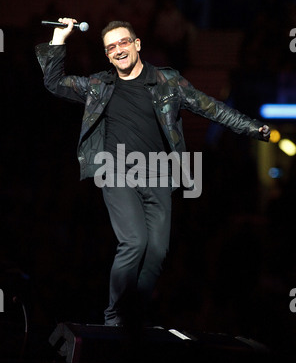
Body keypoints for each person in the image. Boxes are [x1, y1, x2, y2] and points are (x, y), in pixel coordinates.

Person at [35, 18, 270, 329]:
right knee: (134, 241)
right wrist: (59, 38)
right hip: (115, 171)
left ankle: (135, 315)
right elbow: (54, 83)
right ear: (106, 55)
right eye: (111, 47)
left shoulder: (167, 82)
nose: (118, 50)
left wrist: (252, 127)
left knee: (157, 251)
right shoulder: (98, 85)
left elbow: (212, 108)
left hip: (159, 176)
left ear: (137, 44)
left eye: (123, 43)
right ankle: (115, 317)